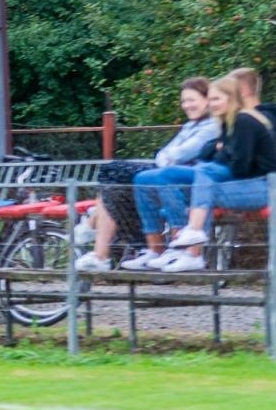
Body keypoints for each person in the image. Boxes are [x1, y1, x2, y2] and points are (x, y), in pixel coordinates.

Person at [73, 78, 218, 273]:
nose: (187, 106)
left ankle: (93, 226)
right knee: (112, 180)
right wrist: (168, 157)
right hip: (166, 172)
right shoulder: (191, 126)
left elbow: (181, 153)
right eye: (184, 101)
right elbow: (166, 153)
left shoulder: (212, 126)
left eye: (192, 100)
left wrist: (168, 158)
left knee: (115, 171)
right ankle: (102, 248)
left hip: (186, 181)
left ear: (207, 100)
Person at [153, 75, 276, 271]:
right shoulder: (226, 122)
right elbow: (210, 154)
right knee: (201, 183)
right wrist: (221, 150)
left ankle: (194, 236)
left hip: (268, 186)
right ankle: (192, 253)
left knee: (205, 177)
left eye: (216, 99)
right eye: (210, 99)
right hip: (247, 183)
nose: (211, 104)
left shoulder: (244, 121)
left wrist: (221, 151)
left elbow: (240, 167)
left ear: (231, 99)